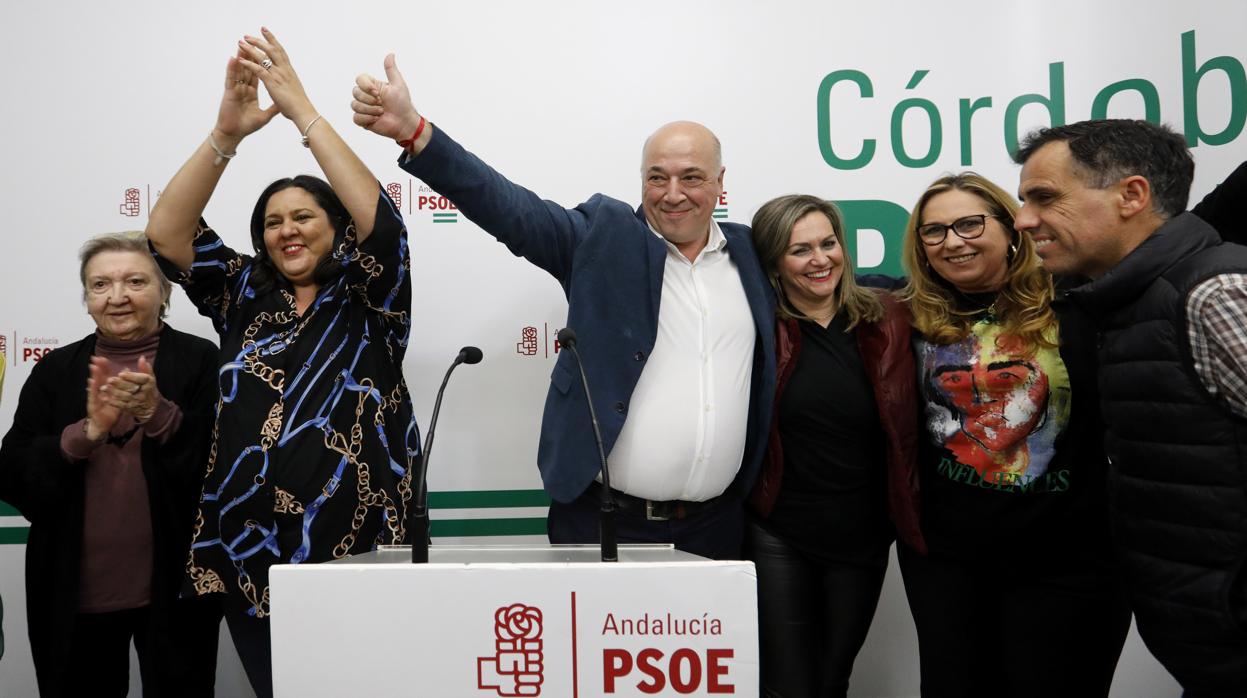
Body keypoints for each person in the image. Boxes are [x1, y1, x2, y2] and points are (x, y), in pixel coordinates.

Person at [349, 55, 775, 560]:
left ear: (721, 181)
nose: (673, 194)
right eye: (657, 177)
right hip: (602, 522)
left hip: (718, 528)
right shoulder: (604, 239)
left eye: (692, 177)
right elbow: (510, 208)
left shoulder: (753, 256)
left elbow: (833, 286)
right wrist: (416, 133)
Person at [145, 29, 417, 698]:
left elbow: (381, 222)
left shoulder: (372, 294)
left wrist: (299, 110)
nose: (286, 230)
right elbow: (167, 235)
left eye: (303, 216)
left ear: (337, 228)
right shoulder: (243, 294)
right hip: (249, 548)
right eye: (272, 221)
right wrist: (225, 135)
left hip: (363, 542)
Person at [1014, 119, 1247, 697]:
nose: (1023, 221)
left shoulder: (1215, 294)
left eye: (1044, 198)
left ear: (1132, 195)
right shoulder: (1123, 302)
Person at [897, 173, 1132, 697]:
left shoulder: (1084, 301)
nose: (953, 241)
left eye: (969, 224)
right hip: (948, 567)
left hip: (1069, 564)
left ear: (1012, 229)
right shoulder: (906, 316)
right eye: (933, 232)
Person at [0, 232, 220, 697]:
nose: (117, 297)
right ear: (87, 299)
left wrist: (158, 414)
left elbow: (224, 471)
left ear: (165, 293)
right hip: (73, 592)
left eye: (136, 281)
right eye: (100, 285)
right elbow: (14, 471)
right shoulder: (56, 370)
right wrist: (87, 433)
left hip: (178, 589)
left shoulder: (202, 362)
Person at [745, 194, 920, 697]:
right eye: (800, 250)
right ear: (775, 260)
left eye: (828, 243)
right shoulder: (759, 329)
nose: (820, 259)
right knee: (788, 684)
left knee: (832, 676)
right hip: (779, 531)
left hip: (862, 535)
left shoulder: (888, 316)